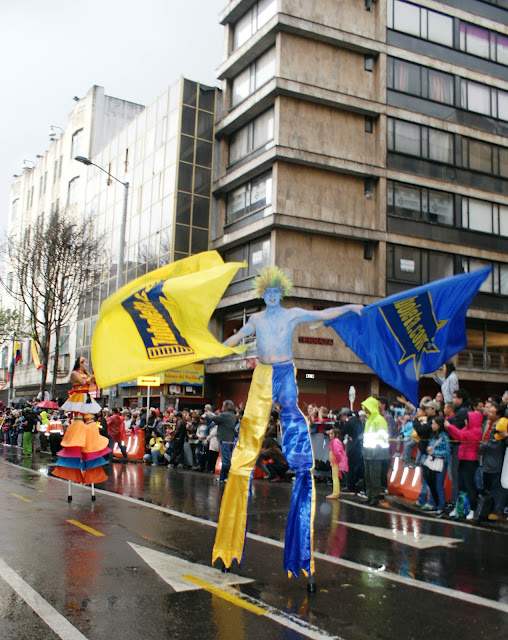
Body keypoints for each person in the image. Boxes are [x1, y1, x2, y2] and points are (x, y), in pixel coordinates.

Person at [211, 266, 361, 577]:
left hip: (286, 372)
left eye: (277, 292)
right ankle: (227, 545)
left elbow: (326, 314)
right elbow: (239, 335)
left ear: (282, 293)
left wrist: (350, 308)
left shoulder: (291, 314)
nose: (273, 296)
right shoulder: (257, 319)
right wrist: (220, 346)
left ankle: (300, 472)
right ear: (263, 295)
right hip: (262, 374)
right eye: (268, 293)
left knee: (295, 424)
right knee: (248, 440)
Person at [52, 357, 110, 484]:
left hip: (87, 399)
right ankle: (76, 444)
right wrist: (92, 376)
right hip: (79, 398)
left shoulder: (86, 373)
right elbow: (83, 382)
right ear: (80, 363)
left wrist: (96, 375)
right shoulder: (75, 373)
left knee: (91, 422)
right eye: (85, 362)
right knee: (78, 422)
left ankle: (92, 445)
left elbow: (95, 383)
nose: (87, 364)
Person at [445, 410, 482, 520]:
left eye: (467, 420)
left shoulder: (476, 431)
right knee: (461, 485)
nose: (466, 422)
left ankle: (472, 509)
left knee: (469, 485)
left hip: (470, 461)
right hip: (463, 458)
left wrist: (450, 427)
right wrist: (449, 429)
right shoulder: (467, 428)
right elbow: (458, 436)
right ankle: (459, 507)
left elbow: (463, 436)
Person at [360, 396, 390, 507]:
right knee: (368, 475)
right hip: (368, 451)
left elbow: (382, 437)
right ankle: (370, 496)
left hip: (377, 453)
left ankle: (375, 497)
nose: (364, 409)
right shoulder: (370, 420)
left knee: (375, 476)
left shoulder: (379, 420)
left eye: (366, 407)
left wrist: (376, 451)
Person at [422, 415, 451, 517]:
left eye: (434, 423)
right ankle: (434, 504)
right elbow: (428, 448)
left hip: (441, 463)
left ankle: (441, 507)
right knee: (433, 484)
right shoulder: (434, 435)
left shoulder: (444, 437)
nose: (432, 425)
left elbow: (447, 451)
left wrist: (434, 451)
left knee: (439, 484)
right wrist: (429, 450)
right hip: (433, 462)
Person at [205, 401, 238, 483]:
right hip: (230, 439)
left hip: (224, 439)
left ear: (226, 407)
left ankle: (227, 477)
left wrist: (208, 413)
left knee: (226, 460)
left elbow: (213, 418)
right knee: (226, 459)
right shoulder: (233, 416)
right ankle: (222, 477)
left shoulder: (225, 415)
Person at [326, 427, 348, 499]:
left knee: (335, 477)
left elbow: (337, 452)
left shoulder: (335, 442)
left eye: (332, 433)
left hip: (335, 462)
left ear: (336, 434)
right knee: (335, 477)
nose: (330, 435)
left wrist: (338, 460)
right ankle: (336, 492)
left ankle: (335, 493)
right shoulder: (336, 441)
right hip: (335, 461)